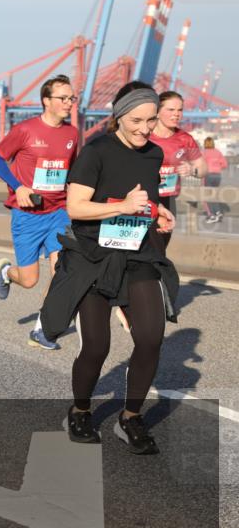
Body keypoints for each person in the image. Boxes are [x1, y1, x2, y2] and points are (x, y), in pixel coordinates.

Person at [40, 81, 178, 454]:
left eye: (152, 120)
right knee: (97, 346)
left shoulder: (154, 154)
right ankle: (80, 410)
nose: (145, 128)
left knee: (150, 338)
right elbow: (76, 208)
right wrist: (122, 207)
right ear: (119, 116)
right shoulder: (95, 151)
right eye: (137, 120)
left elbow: (144, 198)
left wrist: (158, 212)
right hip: (93, 258)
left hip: (137, 255)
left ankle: (130, 417)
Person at [0, 74, 79, 350]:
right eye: (63, 98)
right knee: (29, 279)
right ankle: (6, 273)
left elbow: (72, 172)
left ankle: (42, 328)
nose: (69, 103)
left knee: (61, 270)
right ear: (46, 101)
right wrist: (18, 187)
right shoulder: (26, 130)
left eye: (71, 98)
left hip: (59, 211)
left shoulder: (73, 134)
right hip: (27, 214)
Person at [148, 91, 205, 246]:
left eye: (180, 110)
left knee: (159, 249)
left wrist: (191, 169)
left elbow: (202, 169)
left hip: (168, 200)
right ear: (158, 112)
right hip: (144, 199)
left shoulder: (185, 139)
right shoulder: (144, 136)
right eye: (171, 110)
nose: (176, 114)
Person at [202, 137, 227, 223]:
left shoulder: (204, 152)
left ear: (205, 143)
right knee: (214, 194)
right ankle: (218, 212)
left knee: (207, 195)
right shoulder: (218, 152)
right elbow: (224, 164)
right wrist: (217, 167)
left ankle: (211, 215)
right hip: (218, 176)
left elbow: (199, 163)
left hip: (208, 175)